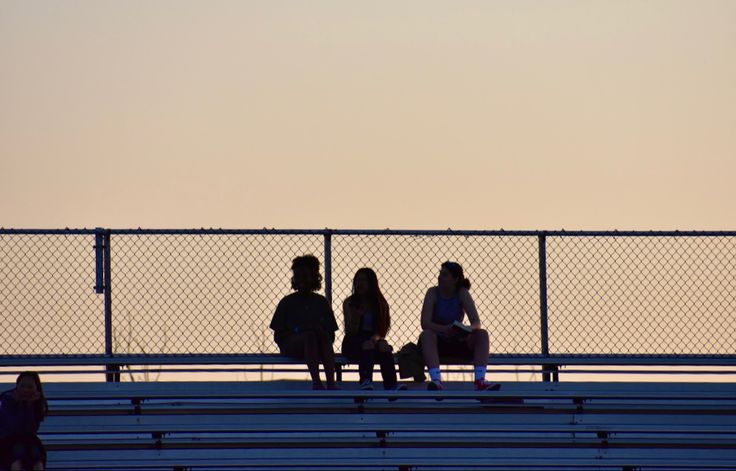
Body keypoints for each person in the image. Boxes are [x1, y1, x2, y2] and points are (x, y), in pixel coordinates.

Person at [419, 261, 499, 391]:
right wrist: (445, 329)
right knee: (426, 334)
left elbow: (476, 322)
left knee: (482, 334)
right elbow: (425, 323)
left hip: (457, 340)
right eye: (440, 273)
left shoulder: (462, 293)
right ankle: (436, 381)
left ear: (455, 279)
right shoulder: (432, 292)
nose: (440, 277)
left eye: (445, 275)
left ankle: (480, 381)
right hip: (437, 343)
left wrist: (465, 330)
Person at [270, 255, 339, 390]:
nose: (301, 280)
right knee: (309, 336)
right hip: (293, 344)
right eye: (298, 277)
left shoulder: (321, 302)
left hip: (318, 345)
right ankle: (317, 382)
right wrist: (300, 330)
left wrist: (319, 331)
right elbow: (278, 335)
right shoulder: (287, 302)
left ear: (314, 278)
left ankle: (331, 382)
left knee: (318, 335)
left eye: (305, 276)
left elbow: (331, 335)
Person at [341, 268, 406, 391]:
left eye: (363, 280)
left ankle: (391, 385)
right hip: (353, 341)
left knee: (384, 345)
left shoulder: (380, 303)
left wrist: (376, 339)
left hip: (373, 338)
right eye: (357, 280)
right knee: (367, 344)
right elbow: (350, 332)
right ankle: (365, 381)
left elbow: (381, 331)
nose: (359, 283)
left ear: (371, 283)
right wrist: (356, 317)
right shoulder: (349, 302)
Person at [0, 372, 48, 471]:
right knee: (18, 454)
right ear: (17, 387)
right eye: (22, 386)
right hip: (7, 439)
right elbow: (14, 426)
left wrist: (29, 405)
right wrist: (21, 405)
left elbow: (31, 429)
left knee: (37, 456)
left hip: (28, 439)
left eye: (30, 387)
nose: (26, 390)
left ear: (36, 388)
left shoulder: (37, 402)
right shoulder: (7, 399)